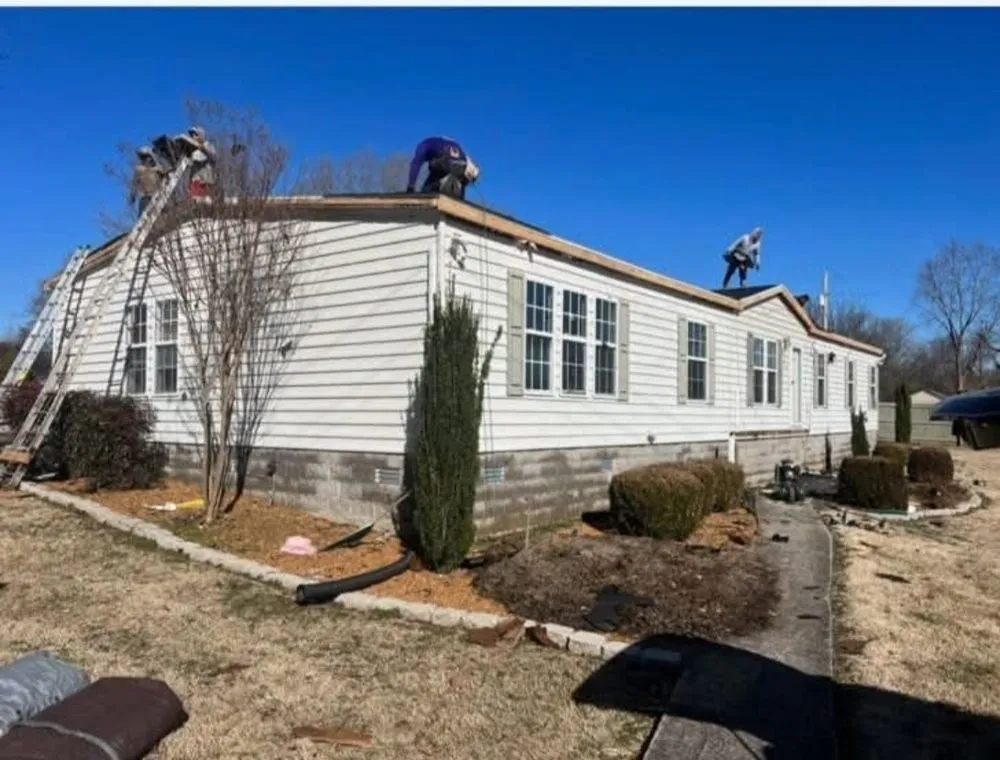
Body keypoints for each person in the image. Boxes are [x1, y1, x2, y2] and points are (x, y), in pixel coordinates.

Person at [405, 136, 480, 199]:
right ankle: (459, 197)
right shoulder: (445, 141)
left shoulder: (423, 145)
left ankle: (438, 185)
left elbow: (415, 164)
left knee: (431, 168)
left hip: (445, 163)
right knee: (458, 178)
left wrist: (410, 187)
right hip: (462, 166)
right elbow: (465, 161)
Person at [180, 126, 218, 199]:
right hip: (195, 180)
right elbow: (189, 164)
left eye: (195, 134)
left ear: (200, 135)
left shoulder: (207, 145)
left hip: (206, 179)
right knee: (196, 200)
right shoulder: (193, 151)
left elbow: (213, 157)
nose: (192, 136)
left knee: (207, 201)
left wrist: (202, 148)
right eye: (191, 135)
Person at [128, 147, 167, 217]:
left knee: (163, 215)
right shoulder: (139, 169)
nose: (146, 159)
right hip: (146, 198)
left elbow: (166, 177)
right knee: (143, 217)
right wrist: (132, 196)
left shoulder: (158, 169)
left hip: (159, 196)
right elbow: (134, 184)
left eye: (147, 157)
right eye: (143, 157)